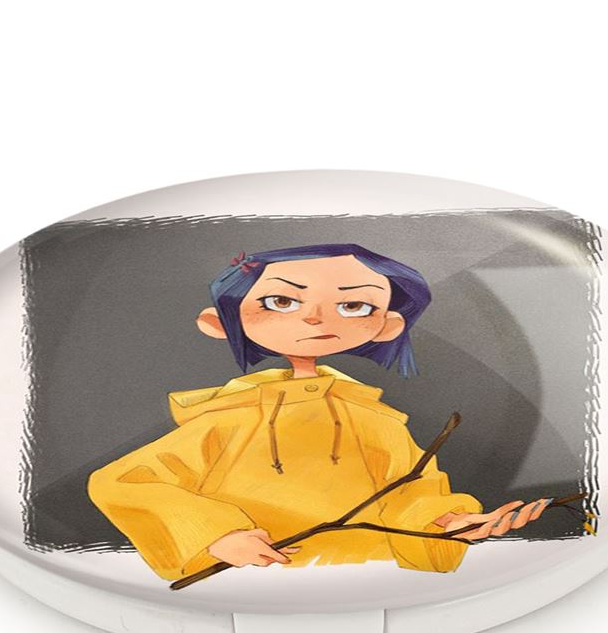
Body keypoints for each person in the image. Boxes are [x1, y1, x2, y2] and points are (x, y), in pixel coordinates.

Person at [88, 244, 549, 583]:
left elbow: (410, 494)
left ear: (386, 325)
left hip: (372, 579)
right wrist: (216, 535)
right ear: (221, 321)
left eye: (353, 306)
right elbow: (122, 482)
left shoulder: (374, 420)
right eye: (281, 301)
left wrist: (448, 525)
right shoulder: (229, 418)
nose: (315, 319)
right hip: (245, 583)